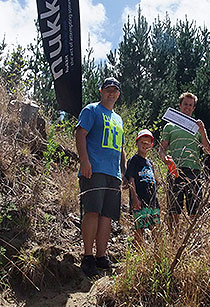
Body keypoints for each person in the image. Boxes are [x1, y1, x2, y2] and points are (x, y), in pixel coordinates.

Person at [76, 77, 126, 278]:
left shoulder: (119, 119)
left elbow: (121, 148)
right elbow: (80, 134)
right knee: (93, 212)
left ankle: (101, 256)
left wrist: (124, 172)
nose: (111, 93)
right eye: (107, 90)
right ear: (101, 91)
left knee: (107, 216)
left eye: (114, 91)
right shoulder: (91, 110)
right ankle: (87, 256)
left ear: (118, 94)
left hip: (113, 174)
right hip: (94, 170)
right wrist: (85, 162)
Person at [159, 92, 210, 235]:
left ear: (194, 108)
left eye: (190, 105)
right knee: (173, 208)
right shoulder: (169, 126)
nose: (187, 107)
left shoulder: (197, 127)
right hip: (174, 169)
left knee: (194, 208)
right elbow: (162, 149)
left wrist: (203, 130)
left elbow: (208, 150)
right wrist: (165, 159)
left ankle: (193, 239)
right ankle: (174, 239)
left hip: (194, 170)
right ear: (180, 106)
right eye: (185, 104)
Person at [126, 129, 160, 244]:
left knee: (155, 227)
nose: (144, 145)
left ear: (151, 145)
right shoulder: (133, 160)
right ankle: (139, 254)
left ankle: (157, 254)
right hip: (139, 200)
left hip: (152, 201)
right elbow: (131, 180)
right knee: (139, 228)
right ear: (137, 143)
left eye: (147, 143)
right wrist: (135, 199)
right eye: (142, 142)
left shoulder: (150, 163)